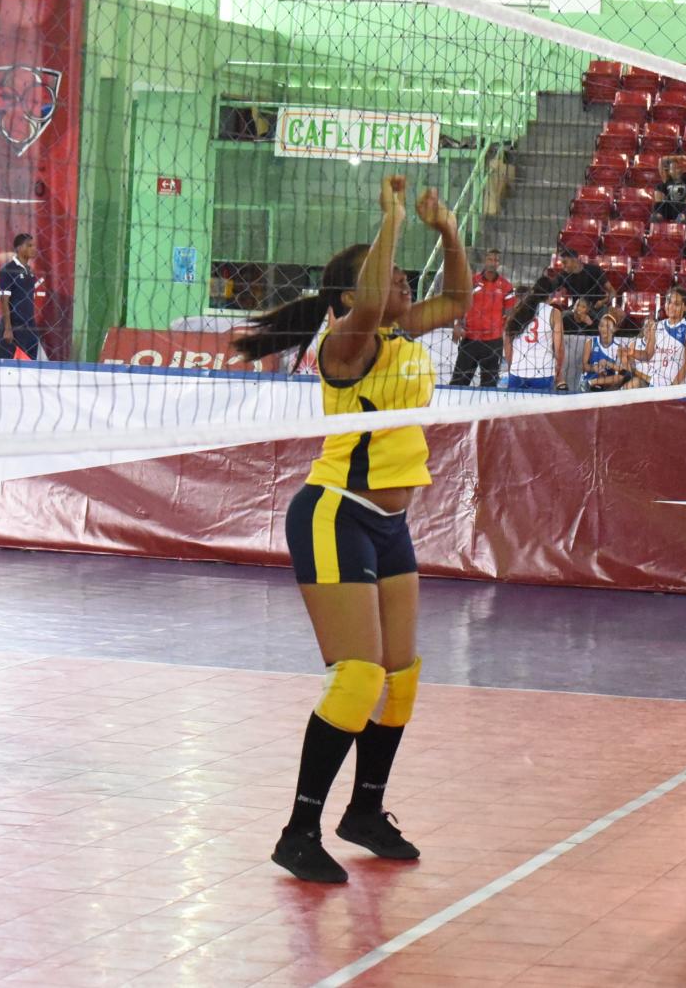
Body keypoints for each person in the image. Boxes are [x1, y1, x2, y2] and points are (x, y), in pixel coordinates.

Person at [230, 175, 470, 883]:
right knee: (358, 676)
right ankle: (298, 829)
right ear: (347, 299)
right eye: (388, 275)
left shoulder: (399, 334)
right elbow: (369, 299)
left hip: (391, 524)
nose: (400, 281)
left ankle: (365, 809)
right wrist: (392, 218)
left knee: (400, 678)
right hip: (335, 511)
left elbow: (457, 299)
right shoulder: (348, 342)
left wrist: (448, 231)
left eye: (400, 275)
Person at [449, 247, 513, 387]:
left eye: (496, 260)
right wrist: (457, 324)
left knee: (489, 386)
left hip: (493, 343)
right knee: (458, 384)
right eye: (490, 259)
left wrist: (505, 334)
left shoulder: (506, 286)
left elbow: (509, 313)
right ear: (485, 260)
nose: (493, 262)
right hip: (470, 339)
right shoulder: (471, 282)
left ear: (499, 263)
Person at [554, 249, 612, 391]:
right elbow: (550, 289)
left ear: (574, 260)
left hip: (597, 308)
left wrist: (602, 301)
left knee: (605, 321)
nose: (563, 266)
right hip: (577, 308)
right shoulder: (564, 275)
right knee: (562, 316)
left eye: (565, 262)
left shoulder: (594, 270)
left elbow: (612, 292)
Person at [502, 275, 561, 393]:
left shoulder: (518, 310)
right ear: (550, 295)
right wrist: (558, 371)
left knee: (516, 410)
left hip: (518, 370)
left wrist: (511, 366)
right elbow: (559, 348)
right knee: (540, 410)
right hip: (543, 372)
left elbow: (507, 344)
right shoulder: (554, 313)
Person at [639, 287, 686, 387]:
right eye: (669, 302)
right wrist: (629, 353)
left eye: (676, 304)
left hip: (679, 388)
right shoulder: (656, 326)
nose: (671, 306)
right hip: (656, 384)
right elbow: (647, 355)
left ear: (685, 307)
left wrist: (672, 387)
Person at [0, 233, 42, 360]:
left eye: (33, 246)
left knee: (29, 368)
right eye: (29, 245)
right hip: (14, 327)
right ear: (19, 248)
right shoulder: (8, 270)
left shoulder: (30, 271)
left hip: (30, 327)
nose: (33, 249)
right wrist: (8, 328)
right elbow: (4, 300)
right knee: (8, 369)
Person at [582, 312, 638, 391]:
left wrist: (608, 364)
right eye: (601, 326)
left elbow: (627, 371)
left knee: (625, 375)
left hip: (607, 382)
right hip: (590, 378)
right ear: (598, 327)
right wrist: (594, 368)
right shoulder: (591, 342)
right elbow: (584, 366)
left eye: (608, 326)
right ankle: (588, 383)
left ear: (614, 329)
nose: (604, 329)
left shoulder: (618, 346)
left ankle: (592, 382)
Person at [654, 156, 686, 223]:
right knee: (658, 191)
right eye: (673, 169)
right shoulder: (667, 180)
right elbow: (660, 160)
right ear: (669, 172)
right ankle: (659, 215)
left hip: (683, 208)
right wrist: (676, 157)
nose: (677, 171)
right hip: (670, 208)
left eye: (678, 168)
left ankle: (683, 217)